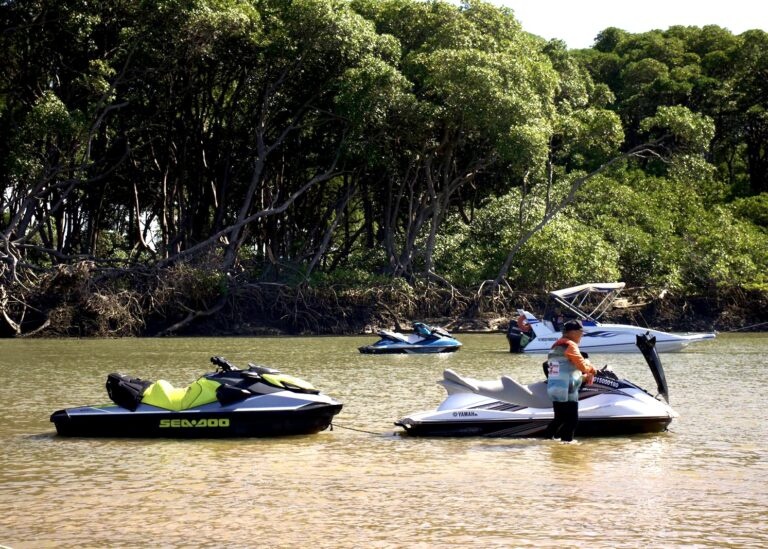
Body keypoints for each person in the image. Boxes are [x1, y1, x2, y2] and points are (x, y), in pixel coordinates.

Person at [545, 319, 597, 443]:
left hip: (554, 388)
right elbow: (582, 366)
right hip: (567, 390)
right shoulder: (570, 345)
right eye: (580, 332)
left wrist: (583, 374)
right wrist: (593, 369)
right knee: (572, 420)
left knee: (559, 419)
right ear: (571, 332)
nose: (582, 335)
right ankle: (567, 447)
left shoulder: (555, 346)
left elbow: (559, 367)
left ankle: (546, 442)